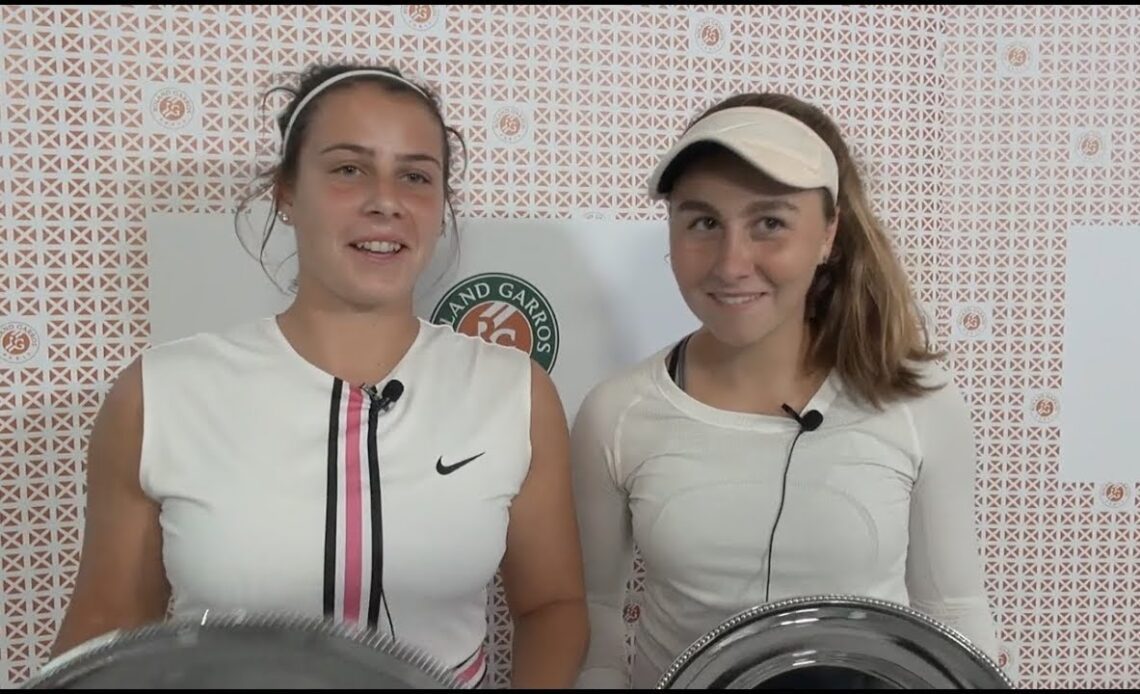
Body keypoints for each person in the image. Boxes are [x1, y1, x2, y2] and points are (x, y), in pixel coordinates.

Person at [52, 62, 588, 689]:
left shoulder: (514, 392)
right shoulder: (159, 394)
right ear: (286, 192)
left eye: (415, 176)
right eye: (347, 169)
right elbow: (109, 626)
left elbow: (552, 606)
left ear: (442, 207)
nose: (386, 201)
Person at [570, 93, 999, 688]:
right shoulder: (615, 414)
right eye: (703, 222)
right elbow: (595, 618)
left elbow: (952, 615)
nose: (731, 262)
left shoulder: (918, 402)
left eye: (769, 223)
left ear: (828, 235)